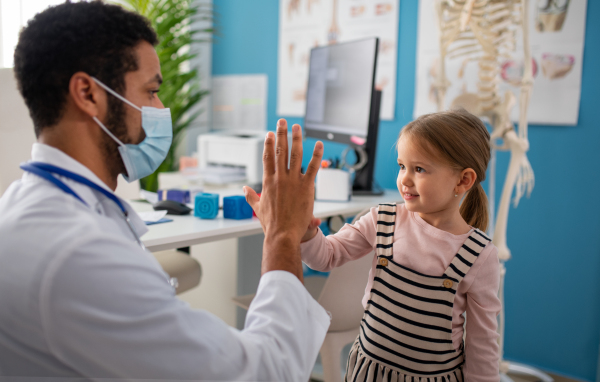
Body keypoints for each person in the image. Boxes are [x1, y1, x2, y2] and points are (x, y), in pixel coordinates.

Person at [0, 2, 329, 380]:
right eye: (151, 92)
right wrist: (283, 237)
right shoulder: (78, 252)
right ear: (88, 93)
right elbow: (267, 373)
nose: (161, 108)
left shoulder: (38, 205)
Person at [282, 110, 501, 381]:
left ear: (463, 180)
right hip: (368, 372)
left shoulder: (479, 256)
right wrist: (306, 232)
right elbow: (325, 257)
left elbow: (483, 346)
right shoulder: (382, 219)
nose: (404, 179)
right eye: (402, 166)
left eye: (419, 169)